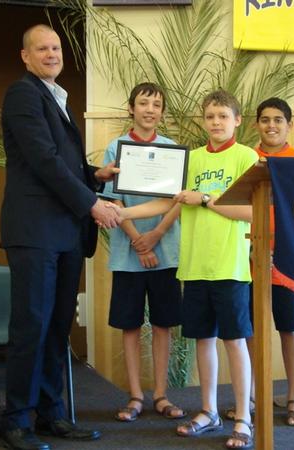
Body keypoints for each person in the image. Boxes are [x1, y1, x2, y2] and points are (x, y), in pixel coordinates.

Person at [0, 24, 119, 450]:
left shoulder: (57, 97)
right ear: (25, 57)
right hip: (34, 232)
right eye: (41, 49)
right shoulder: (23, 94)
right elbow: (44, 161)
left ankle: (51, 415)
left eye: (56, 47)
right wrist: (92, 203)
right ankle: (15, 423)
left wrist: (94, 175)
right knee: (31, 325)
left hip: (65, 233)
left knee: (55, 328)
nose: (51, 54)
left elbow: (62, 163)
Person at [115, 90, 257, 450]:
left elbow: (253, 212)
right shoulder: (190, 159)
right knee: (203, 340)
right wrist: (122, 213)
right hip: (193, 267)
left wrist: (207, 200)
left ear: (237, 120)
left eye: (223, 116)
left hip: (230, 266)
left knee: (235, 341)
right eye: (210, 116)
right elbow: (168, 200)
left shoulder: (247, 157)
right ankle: (208, 411)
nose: (216, 123)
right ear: (203, 121)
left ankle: (242, 417)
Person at [101, 82, 186, 423]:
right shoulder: (115, 147)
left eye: (156, 104)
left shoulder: (171, 150)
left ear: (162, 112)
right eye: (143, 103)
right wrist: (138, 241)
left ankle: (161, 395)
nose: (150, 109)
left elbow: (179, 200)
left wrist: (157, 235)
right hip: (128, 253)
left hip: (165, 251)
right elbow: (113, 200)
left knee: (164, 324)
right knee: (131, 325)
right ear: (131, 108)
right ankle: (135, 395)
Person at [225, 97, 294, 427]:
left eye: (278, 120)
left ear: (290, 125)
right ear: (255, 124)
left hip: (290, 262)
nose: (271, 125)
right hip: (247, 261)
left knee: (290, 329)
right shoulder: (246, 159)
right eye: (264, 119)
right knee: (251, 332)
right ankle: (253, 396)